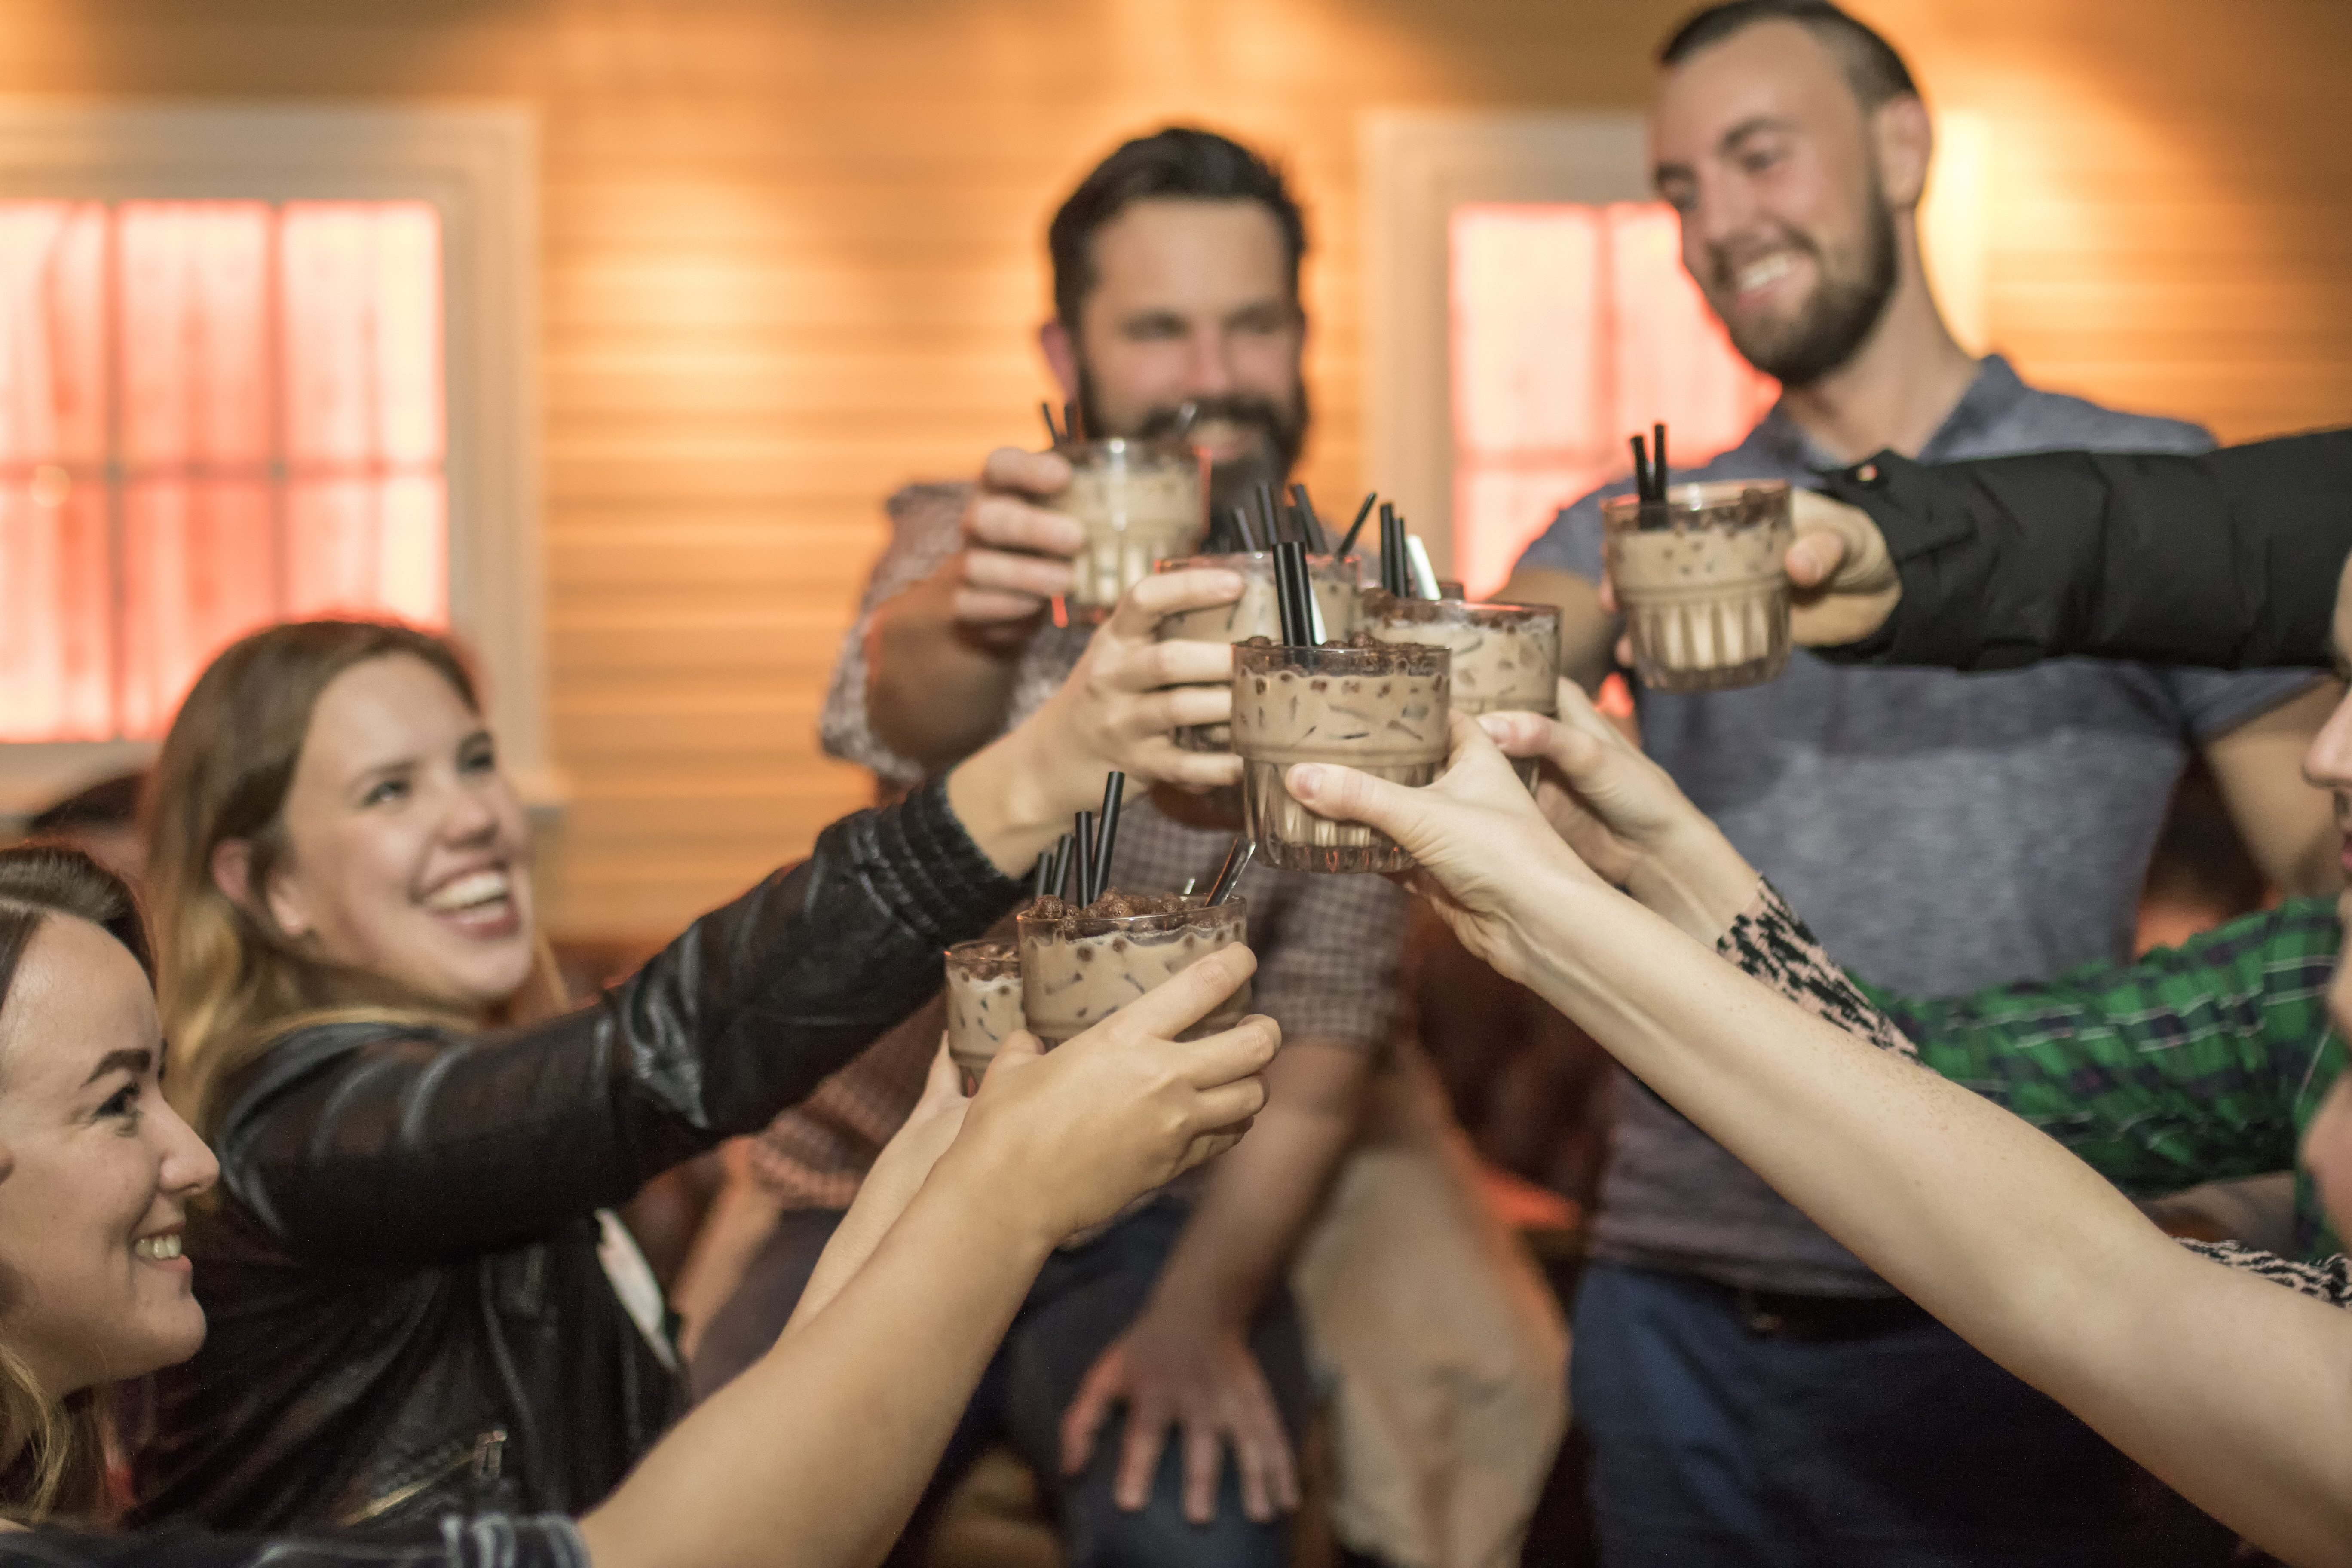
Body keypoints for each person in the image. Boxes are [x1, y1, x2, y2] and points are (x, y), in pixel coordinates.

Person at [1494, 2, 2339, 1559]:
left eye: (1759, 154)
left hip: (2017, 1296)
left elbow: (2320, 862)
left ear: (1901, 147)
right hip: (1681, 1297)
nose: (1716, 221)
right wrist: (1484, 653)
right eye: (1680, 187)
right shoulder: (1640, 522)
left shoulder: (2139, 494)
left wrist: (2245, 1203)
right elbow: (1513, 649)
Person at [695, 125, 1559, 1568]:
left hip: (1162, 1199)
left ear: (1302, 334)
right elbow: (904, 711)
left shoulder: (1351, 640)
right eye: (1158, 328)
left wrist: (1197, 1314)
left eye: (1252, 321)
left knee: (1197, 1520)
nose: (1211, 370)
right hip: (877, 1181)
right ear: (1066, 347)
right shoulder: (969, 544)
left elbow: (1332, 1033)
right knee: (722, 1510)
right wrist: (982, 601)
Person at [125, 568, 1250, 1532]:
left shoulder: (457, 1117)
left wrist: (952, 1144)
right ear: (267, 888)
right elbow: (649, 1059)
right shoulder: (298, 1135)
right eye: (388, 792)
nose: (472, 815)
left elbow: (716, 1482)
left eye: (474, 762)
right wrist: (1043, 771)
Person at [1275, 662, 2352, 1568]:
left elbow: (2093, 1286)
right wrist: (1660, 865)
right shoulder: (2308, 972)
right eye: (2339, 676)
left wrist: (1548, 923)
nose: (2326, 756)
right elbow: (1942, 1088)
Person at [0, 843, 1277, 1567]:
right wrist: (1003, 1200)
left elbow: (757, 1516)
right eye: (116, 1104)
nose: (194, 1159)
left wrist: (952, 1146)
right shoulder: (321, 1128)